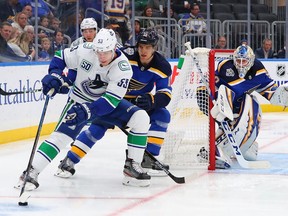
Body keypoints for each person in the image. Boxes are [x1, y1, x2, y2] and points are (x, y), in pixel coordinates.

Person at [15, 28, 151, 190]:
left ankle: (131, 166)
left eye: (105, 52)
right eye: (98, 51)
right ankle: (31, 172)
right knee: (61, 137)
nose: (101, 56)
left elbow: (110, 101)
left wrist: (88, 110)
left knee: (141, 118)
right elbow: (60, 57)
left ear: (114, 48)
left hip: (105, 105)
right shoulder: (85, 50)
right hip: (78, 100)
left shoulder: (123, 69)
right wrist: (56, 75)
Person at [55, 28, 172, 177]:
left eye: (148, 47)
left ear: (154, 48)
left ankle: (147, 158)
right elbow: (90, 62)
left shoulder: (162, 66)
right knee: (98, 127)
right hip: (114, 100)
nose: (143, 51)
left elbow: (166, 94)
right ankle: (70, 160)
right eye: (141, 47)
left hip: (139, 104)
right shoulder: (124, 55)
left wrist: (152, 100)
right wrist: (71, 78)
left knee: (162, 115)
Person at [198, 45, 288, 168]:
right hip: (221, 102)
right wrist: (203, 93)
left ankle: (239, 146)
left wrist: (282, 95)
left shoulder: (258, 70)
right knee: (224, 106)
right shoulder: (224, 65)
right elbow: (209, 83)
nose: (240, 64)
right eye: (238, 60)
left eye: (244, 61)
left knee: (249, 154)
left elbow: (271, 93)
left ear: (250, 61)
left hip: (239, 104)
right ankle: (212, 150)